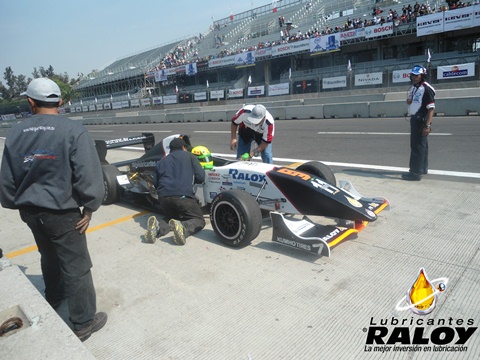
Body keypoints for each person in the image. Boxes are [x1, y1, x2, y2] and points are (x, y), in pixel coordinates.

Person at [0, 78, 107, 341]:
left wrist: (18, 204)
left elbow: (7, 180)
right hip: (62, 213)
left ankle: (55, 297)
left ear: (30, 102)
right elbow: (88, 175)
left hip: (31, 213)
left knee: (48, 256)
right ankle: (83, 323)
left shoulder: (15, 133)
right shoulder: (73, 130)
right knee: (76, 267)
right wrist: (90, 207)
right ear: (60, 102)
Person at [145, 137, 206, 245]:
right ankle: (183, 228)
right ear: (183, 147)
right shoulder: (190, 156)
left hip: (164, 198)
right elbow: (201, 177)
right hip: (182, 196)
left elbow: (155, 182)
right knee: (199, 220)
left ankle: (158, 228)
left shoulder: (162, 161)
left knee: (172, 217)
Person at [402, 65, 436, 181]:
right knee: (422, 146)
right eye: (413, 75)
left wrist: (427, 125)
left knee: (417, 146)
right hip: (415, 118)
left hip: (421, 119)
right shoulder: (414, 88)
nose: (414, 77)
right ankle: (422, 168)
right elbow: (413, 102)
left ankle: (415, 173)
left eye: (417, 75)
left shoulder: (426, 88)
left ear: (422, 76)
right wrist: (409, 101)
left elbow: (431, 109)